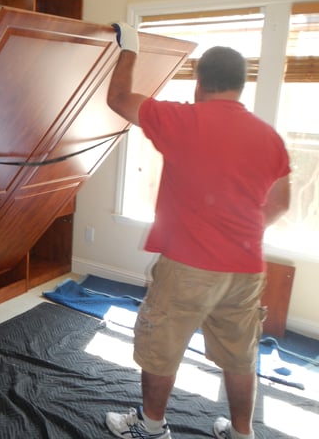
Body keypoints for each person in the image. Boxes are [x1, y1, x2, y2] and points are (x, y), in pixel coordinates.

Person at [103, 24, 291, 439]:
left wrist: (129, 47)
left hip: (188, 268)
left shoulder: (182, 119)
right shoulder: (270, 137)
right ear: (242, 85)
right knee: (240, 357)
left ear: (201, 80)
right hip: (245, 268)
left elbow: (118, 99)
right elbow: (280, 203)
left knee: (161, 349)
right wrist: (234, 236)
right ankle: (242, 433)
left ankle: (151, 429)